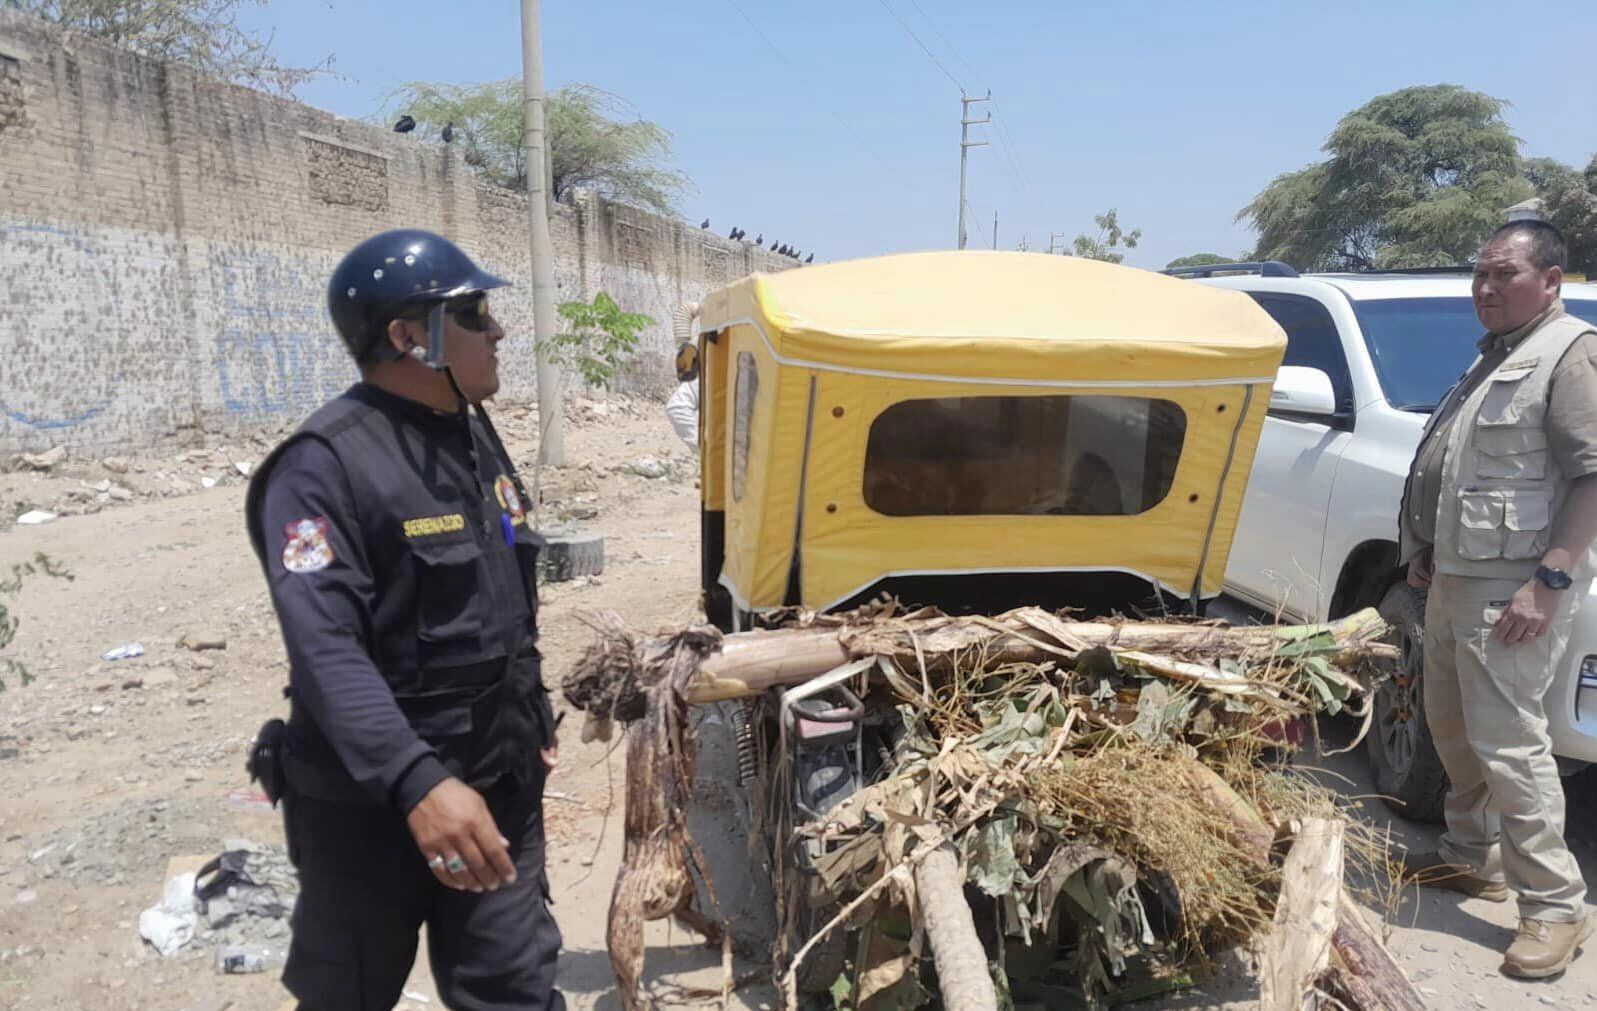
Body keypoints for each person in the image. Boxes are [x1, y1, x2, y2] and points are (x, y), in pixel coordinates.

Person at [244, 229, 564, 1009]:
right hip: (372, 807)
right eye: (474, 313)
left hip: (495, 782)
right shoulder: (323, 465)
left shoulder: (470, 434)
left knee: (516, 987)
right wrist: (418, 783)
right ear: (407, 337)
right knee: (347, 993)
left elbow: (502, 594)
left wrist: (533, 711)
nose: (497, 331)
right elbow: (325, 650)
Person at [1398, 219, 1597, 979]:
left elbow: (1589, 476)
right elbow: (1458, 470)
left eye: (1503, 274)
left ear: (1550, 280)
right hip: (1455, 580)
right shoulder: (1495, 355)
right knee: (1450, 728)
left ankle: (1553, 907)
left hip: (1514, 591)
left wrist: (1546, 582)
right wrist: (1425, 553)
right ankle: (1467, 854)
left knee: (1510, 746)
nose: (1484, 288)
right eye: (1478, 273)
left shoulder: (1568, 353)